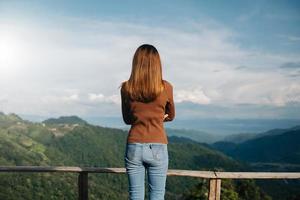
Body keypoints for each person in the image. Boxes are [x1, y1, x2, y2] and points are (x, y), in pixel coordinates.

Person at [119, 44, 175, 200]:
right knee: (157, 195)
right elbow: (171, 115)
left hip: (134, 145)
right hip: (158, 145)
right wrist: (158, 117)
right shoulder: (166, 87)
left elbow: (127, 119)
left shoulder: (126, 88)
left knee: (135, 196)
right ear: (157, 64)